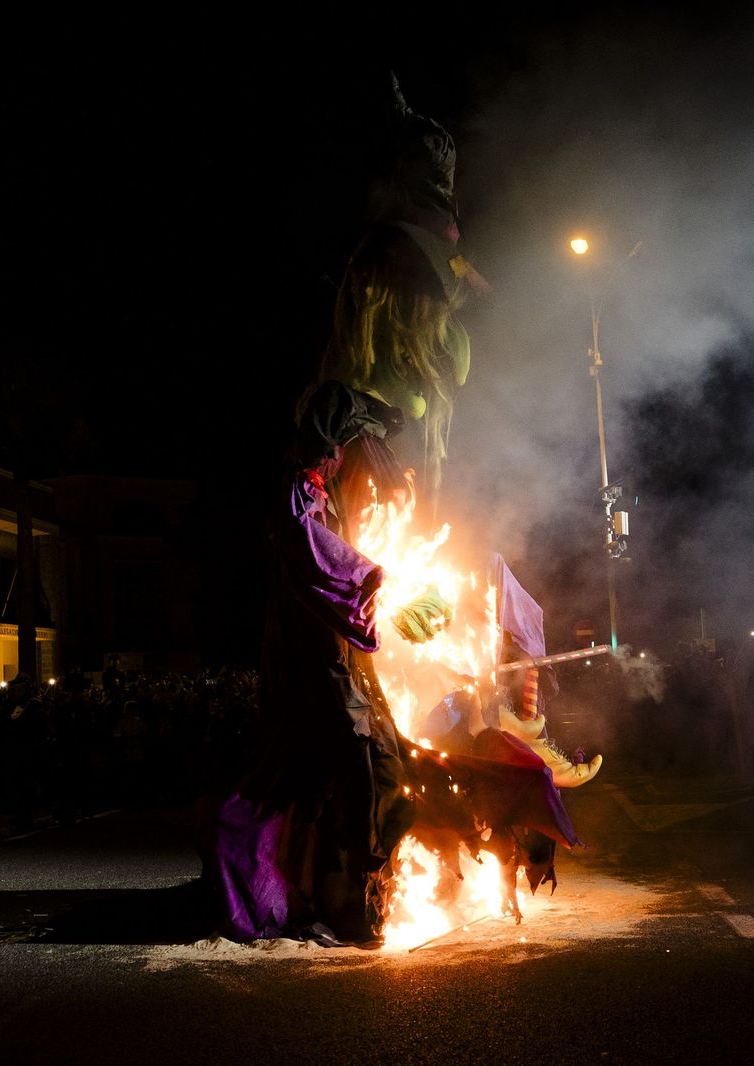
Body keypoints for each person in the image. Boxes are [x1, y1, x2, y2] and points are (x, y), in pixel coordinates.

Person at [200, 76, 579, 948]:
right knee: (359, 748)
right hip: (338, 632)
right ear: (380, 297)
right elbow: (303, 527)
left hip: (394, 609)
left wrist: (491, 608)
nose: (440, 316)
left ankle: (451, 864)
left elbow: (426, 522)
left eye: (444, 295)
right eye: (424, 295)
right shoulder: (338, 415)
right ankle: (355, 888)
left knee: (466, 715)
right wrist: (381, 592)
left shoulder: (414, 410)